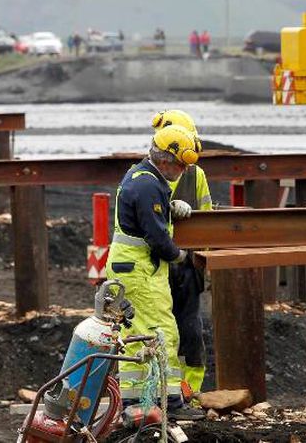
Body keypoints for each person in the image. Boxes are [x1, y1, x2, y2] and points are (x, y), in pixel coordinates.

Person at [107, 124, 206, 421]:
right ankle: (171, 405)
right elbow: (158, 239)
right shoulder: (149, 184)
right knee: (163, 334)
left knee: (135, 337)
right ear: (166, 159)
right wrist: (182, 257)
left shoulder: (141, 176)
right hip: (140, 273)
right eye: (181, 165)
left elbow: (147, 217)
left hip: (131, 269)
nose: (183, 171)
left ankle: (135, 405)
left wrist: (169, 207)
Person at [150, 110, 212, 399]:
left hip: (186, 267)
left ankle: (190, 393)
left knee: (190, 332)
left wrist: (203, 263)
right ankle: (163, 393)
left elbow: (208, 220)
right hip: (155, 265)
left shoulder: (196, 175)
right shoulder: (144, 175)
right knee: (159, 331)